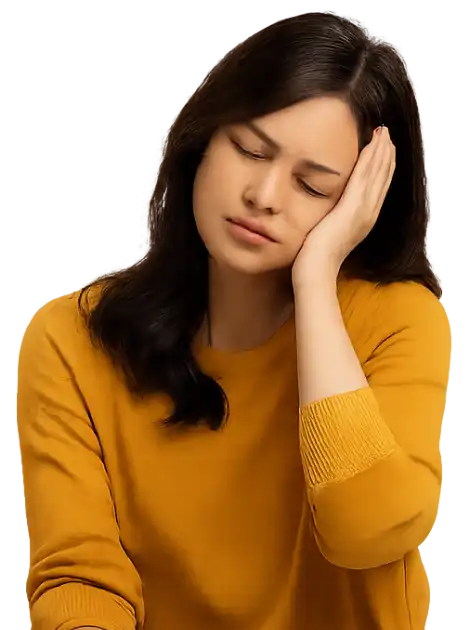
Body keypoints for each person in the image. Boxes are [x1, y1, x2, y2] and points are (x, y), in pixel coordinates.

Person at [16, 9, 453, 630]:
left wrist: (315, 279)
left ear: (361, 206)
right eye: (249, 150)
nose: (263, 196)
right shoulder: (73, 339)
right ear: (203, 139)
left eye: (313, 187)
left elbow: (366, 531)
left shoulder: (398, 322)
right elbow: (79, 580)